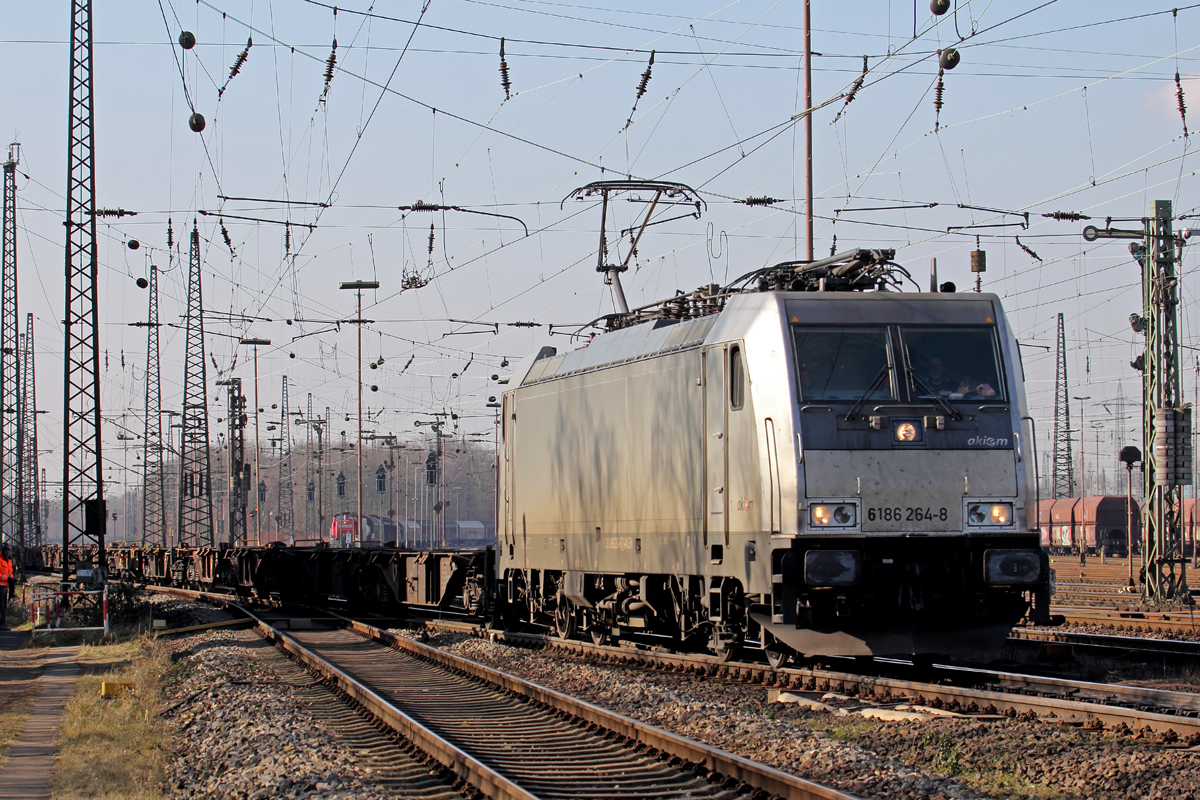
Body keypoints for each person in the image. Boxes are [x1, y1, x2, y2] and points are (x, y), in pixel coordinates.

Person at [0, 543, 14, 631]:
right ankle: (1, 625)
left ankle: (2, 624)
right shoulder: (0, 560)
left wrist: (12, 579)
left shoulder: (9, 561)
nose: (7, 553)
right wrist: (7, 578)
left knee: (4, 607)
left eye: (8, 551)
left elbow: (10, 573)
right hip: (0, 586)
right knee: (1, 607)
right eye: (6, 551)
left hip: (5, 587)